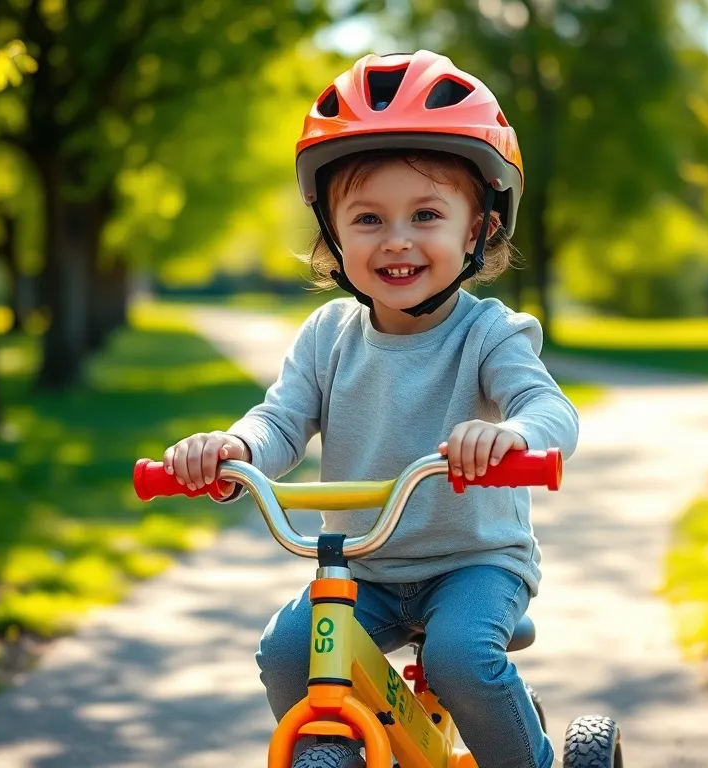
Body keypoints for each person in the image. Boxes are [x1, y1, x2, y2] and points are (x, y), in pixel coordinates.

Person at [163, 50, 579, 768]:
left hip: (475, 562)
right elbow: (281, 421)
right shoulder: (327, 337)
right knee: (286, 654)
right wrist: (234, 450)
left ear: (477, 228)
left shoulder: (489, 334)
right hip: (361, 564)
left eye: (426, 214)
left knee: (459, 660)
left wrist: (510, 435)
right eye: (367, 218)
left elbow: (551, 412)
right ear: (331, 233)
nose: (396, 239)